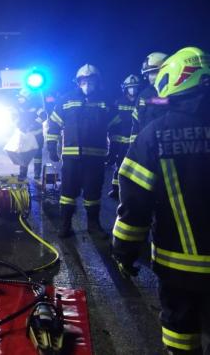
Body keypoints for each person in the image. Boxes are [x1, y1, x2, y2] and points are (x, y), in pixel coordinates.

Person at [111, 47, 210, 355]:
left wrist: (124, 252)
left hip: (180, 264)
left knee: (181, 330)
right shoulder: (147, 109)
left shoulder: (155, 134)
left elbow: (135, 204)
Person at [46, 64, 120, 238]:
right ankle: (65, 226)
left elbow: (116, 126)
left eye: (91, 80)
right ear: (78, 82)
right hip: (71, 158)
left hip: (95, 158)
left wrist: (115, 149)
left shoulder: (106, 102)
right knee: (67, 193)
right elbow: (54, 124)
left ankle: (93, 226)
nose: (87, 83)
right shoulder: (66, 100)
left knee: (93, 193)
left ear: (97, 81)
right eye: (84, 80)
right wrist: (51, 145)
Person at [106, 74, 140, 200]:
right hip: (120, 140)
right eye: (130, 87)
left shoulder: (141, 101)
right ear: (125, 88)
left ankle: (133, 190)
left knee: (136, 167)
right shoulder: (118, 102)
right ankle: (116, 189)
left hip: (136, 140)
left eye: (135, 87)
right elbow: (112, 121)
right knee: (120, 165)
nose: (133, 90)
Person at [130, 52, 168, 143]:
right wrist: (134, 148)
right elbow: (136, 124)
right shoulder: (143, 96)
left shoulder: (175, 92)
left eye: (153, 72)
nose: (150, 78)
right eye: (148, 74)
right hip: (147, 148)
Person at [14, 88, 47, 180]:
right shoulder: (19, 107)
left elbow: (44, 116)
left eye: (21, 97)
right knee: (24, 154)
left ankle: (37, 174)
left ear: (27, 98)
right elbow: (15, 118)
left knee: (37, 155)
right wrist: (20, 125)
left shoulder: (36, 107)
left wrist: (34, 124)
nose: (19, 99)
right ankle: (23, 173)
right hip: (25, 135)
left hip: (37, 135)